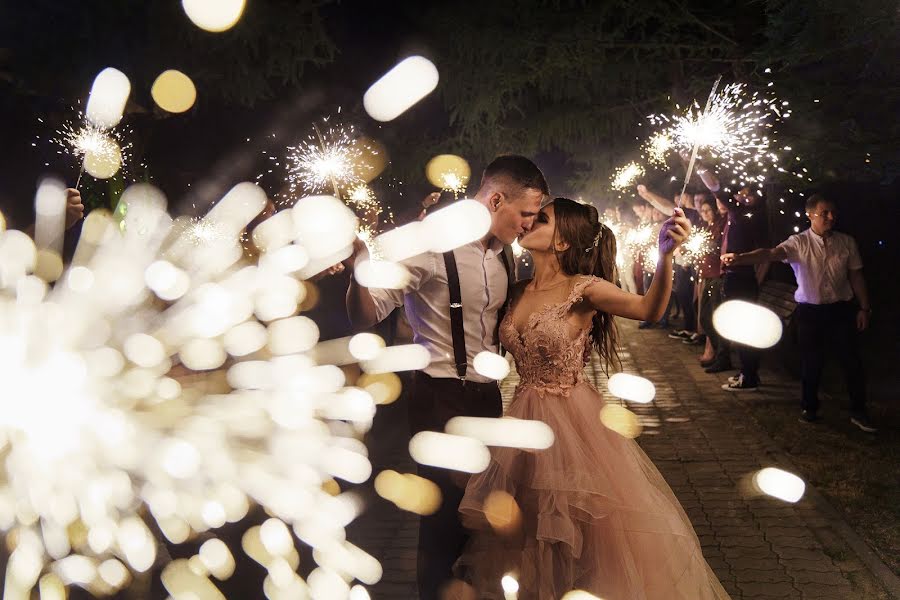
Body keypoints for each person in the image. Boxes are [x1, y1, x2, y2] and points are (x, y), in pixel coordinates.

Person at [457, 198, 730, 599]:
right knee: (524, 530)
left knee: (575, 533)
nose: (531, 221)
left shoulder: (583, 288)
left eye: (543, 218)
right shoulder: (515, 289)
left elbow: (647, 308)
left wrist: (665, 256)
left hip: (571, 422)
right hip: (521, 421)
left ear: (564, 242)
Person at [342, 154, 548, 599]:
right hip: (438, 398)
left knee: (478, 515)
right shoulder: (430, 246)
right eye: (525, 214)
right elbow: (367, 314)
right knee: (442, 516)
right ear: (496, 199)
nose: (529, 225)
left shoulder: (505, 255)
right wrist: (360, 269)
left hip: (486, 400)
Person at [721, 194, 876, 433]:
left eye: (833, 213)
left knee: (852, 361)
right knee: (811, 362)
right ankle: (810, 408)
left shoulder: (846, 242)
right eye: (824, 213)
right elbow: (770, 253)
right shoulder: (799, 243)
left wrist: (864, 307)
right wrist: (740, 258)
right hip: (810, 312)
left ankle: (859, 410)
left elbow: (856, 276)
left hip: (841, 310)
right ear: (810, 214)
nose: (831, 217)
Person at [696, 195, 727, 366]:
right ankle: (716, 350)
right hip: (706, 275)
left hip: (717, 275)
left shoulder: (720, 225)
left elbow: (717, 247)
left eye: (708, 210)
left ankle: (721, 356)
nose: (706, 213)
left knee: (714, 317)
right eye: (703, 211)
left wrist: (707, 246)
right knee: (705, 318)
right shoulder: (704, 228)